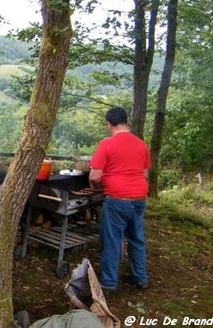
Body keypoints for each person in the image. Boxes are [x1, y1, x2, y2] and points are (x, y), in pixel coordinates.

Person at [89, 107, 150, 293]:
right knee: (136, 239)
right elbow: (144, 174)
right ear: (126, 121)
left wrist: (96, 186)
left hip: (117, 199)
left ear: (109, 124)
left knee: (112, 241)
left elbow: (94, 176)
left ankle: (108, 282)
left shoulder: (107, 144)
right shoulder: (141, 144)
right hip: (139, 197)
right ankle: (140, 277)